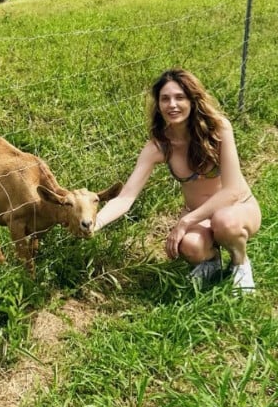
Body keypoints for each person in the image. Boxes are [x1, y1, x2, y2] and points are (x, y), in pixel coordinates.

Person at [94, 67, 261, 294]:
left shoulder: (219, 129)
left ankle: (240, 263)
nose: (172, 105)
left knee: (225, 222)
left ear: (192, 100)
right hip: (198, 216)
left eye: (179, 97)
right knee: (189, 247)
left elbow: (231, 191)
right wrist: (96, 223)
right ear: (158, 105)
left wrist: (184, 221)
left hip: (237, 208)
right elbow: (126, 197)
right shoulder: (159, 146)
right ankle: (210, 262)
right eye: (165, 99)